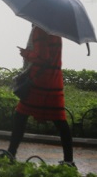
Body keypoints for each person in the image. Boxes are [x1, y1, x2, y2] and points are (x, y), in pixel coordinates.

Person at [7, 24, 75, 167]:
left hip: (39, 84)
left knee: (20, 116)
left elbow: (42, 57)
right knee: (60, 122)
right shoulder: (56, 31)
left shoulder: (39, 30)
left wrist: (26, 53)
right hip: (54, 81)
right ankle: (69, 161)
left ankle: (10, 154)